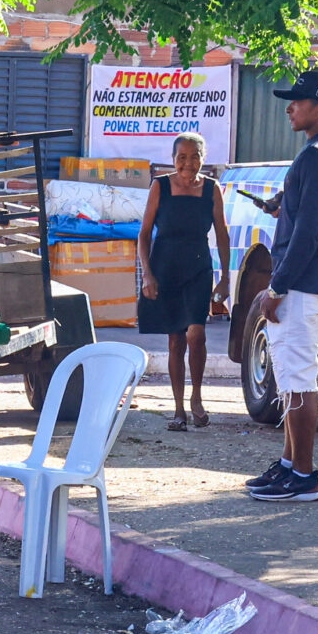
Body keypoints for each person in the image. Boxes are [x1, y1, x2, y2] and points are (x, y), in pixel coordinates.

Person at [246, 66, 318, 503]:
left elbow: (309, 233)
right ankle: (291, 465)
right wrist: (286, 206)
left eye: (298, 100)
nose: (290, 107)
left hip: (302, 282)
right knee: (295, 377)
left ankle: (304, 476)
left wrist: (277, 287)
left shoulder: (315, 155)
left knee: (297, 381)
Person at [135, 131, 233, 431]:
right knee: (176, 340)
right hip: (165, 269)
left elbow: (222, 235)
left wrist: (225, 278)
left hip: (198, 269)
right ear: (173, 159)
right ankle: (178, 409)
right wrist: (147, 274)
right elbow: (143, 234)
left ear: (202, 159)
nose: (187, 164)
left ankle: (197, 398)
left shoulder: (212, 189)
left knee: (196, 334)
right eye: (181, 157)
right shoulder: (160, 186)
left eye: (194, 157)